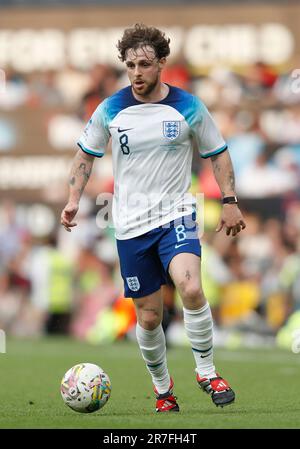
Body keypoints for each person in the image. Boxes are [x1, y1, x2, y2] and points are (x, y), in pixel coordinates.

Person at [61, 24, 246, 412]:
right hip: (129, 224)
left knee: (191, 288)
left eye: (144, 64)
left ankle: (207, 372)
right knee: (148, 318)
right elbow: (84, 156)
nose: (137, 73)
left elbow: (219, 152)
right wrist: (74, 198)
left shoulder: (188, 106)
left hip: (177, 213)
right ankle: (164, 391)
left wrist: (229, 200)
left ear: (162, 63)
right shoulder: (110, 108)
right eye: (130, 65)